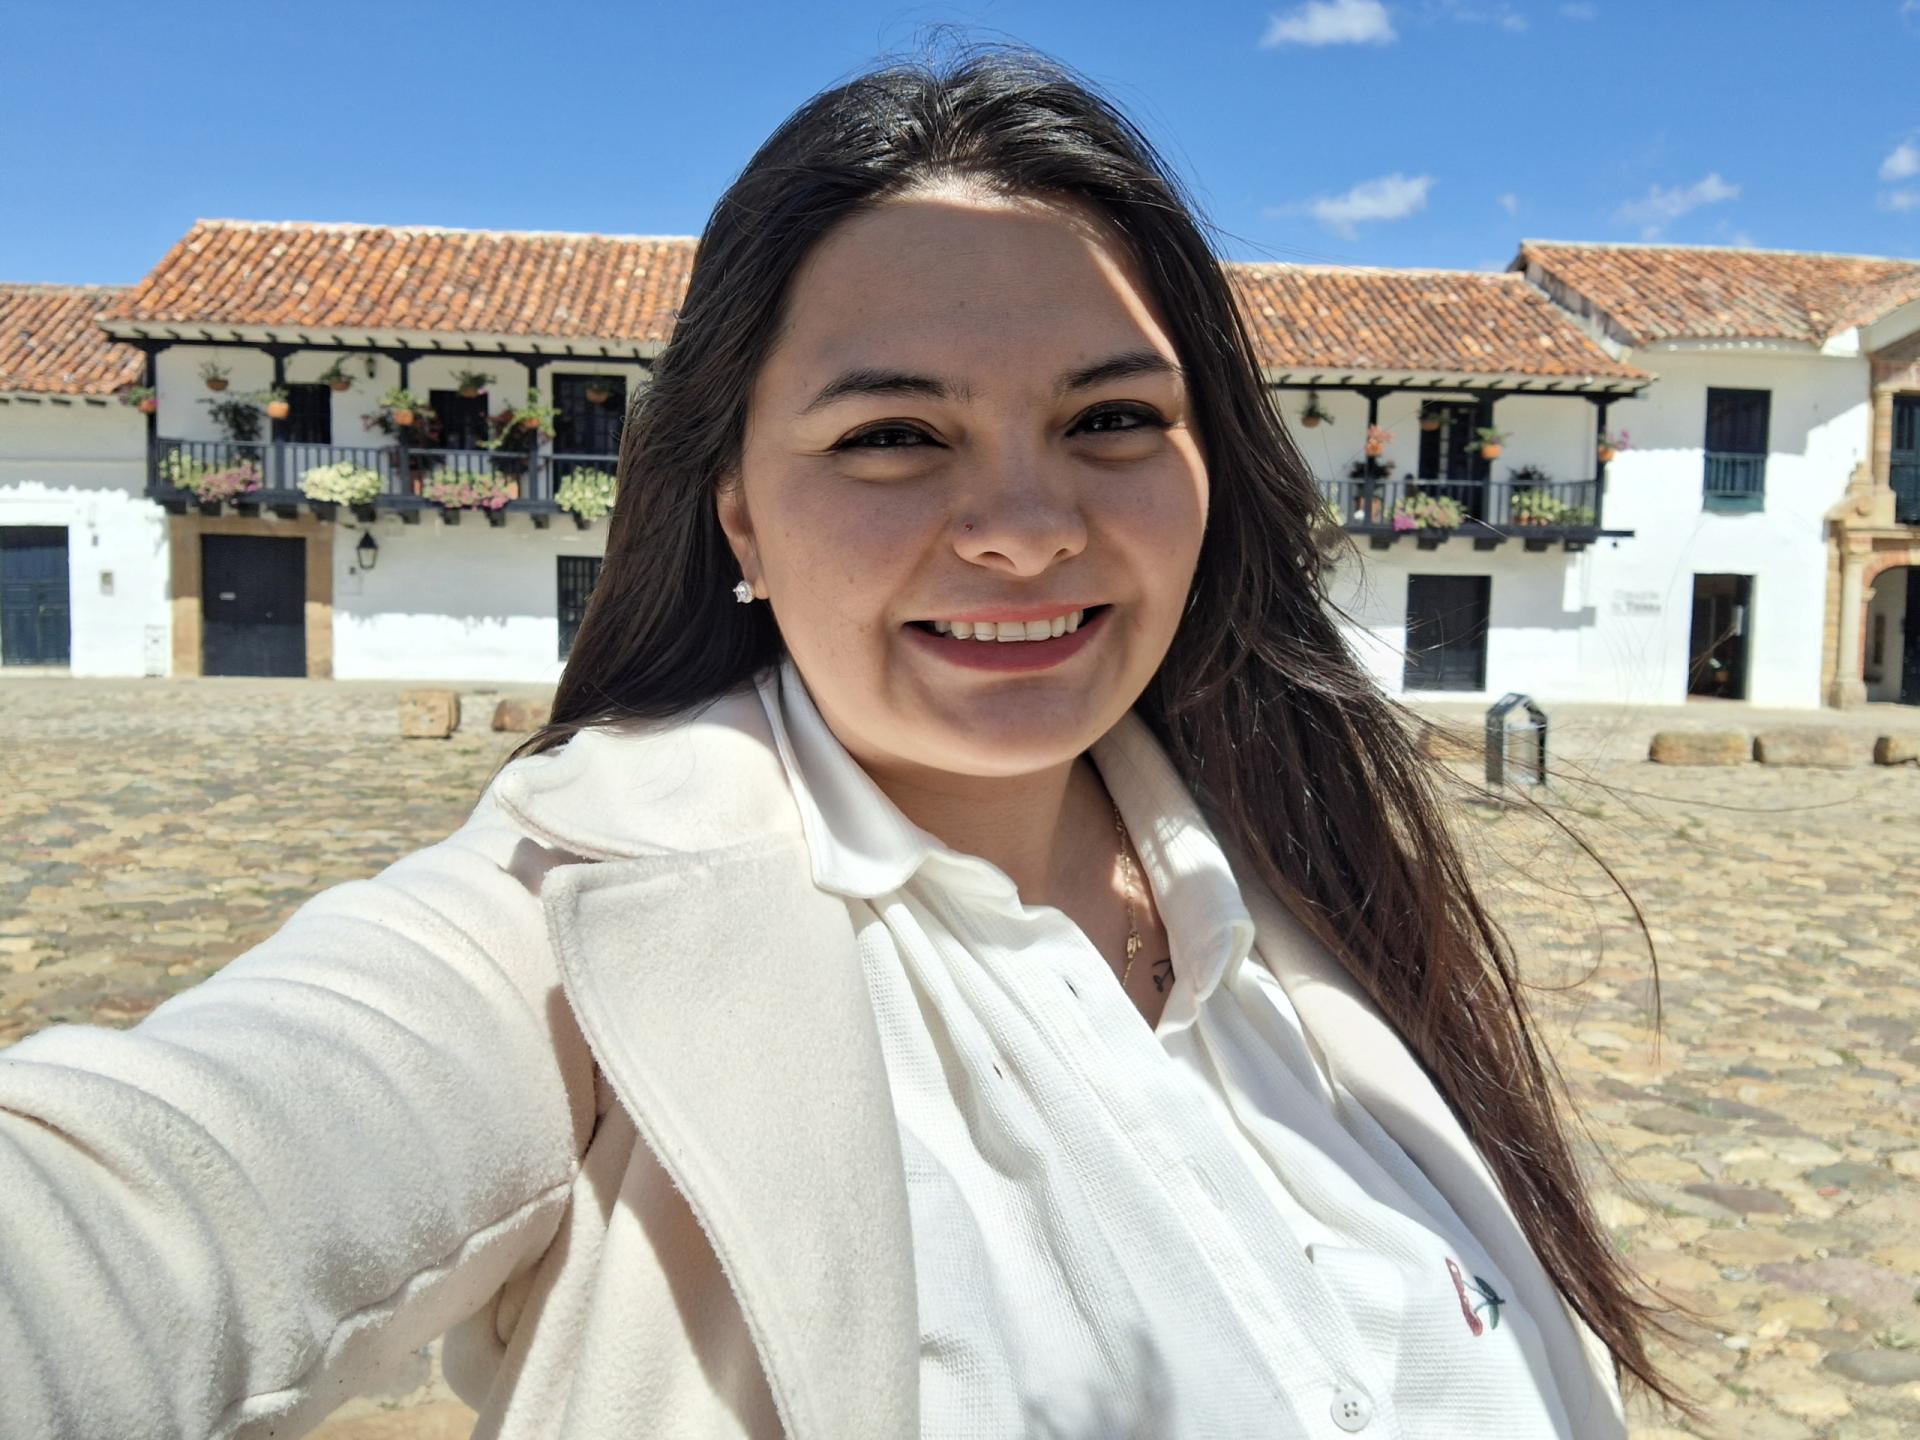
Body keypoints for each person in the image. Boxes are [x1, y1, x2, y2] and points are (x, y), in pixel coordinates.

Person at [0, 41, 1690, 1440]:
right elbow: (142, 1211)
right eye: (892, 435)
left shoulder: (1310, 877)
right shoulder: (568, 932)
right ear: (737, 510)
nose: (1025, 527)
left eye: (1111, 418)